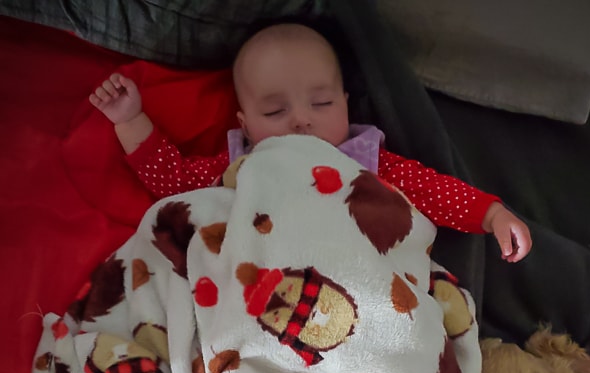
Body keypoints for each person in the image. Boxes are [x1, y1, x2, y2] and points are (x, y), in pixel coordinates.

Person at [89, 22, 532, 262]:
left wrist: (491, 214)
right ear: (244, 125)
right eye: (275, 112)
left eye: (320, 103)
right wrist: (131, 120)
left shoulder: (367, 161)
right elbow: (174, 186)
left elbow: (433, 191)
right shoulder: (240, 164)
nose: (301, 120)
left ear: (345, 104)